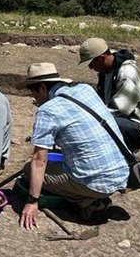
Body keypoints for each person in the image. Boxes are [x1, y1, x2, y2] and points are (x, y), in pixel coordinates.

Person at [18, 63, 128, 228]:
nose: (34, 98)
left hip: (96, 183)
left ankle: (86, 201)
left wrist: (33, 201)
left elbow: (39, 160)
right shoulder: (85, 89)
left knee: (28, 170)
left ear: (42, 88)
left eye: (33, 92)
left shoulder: (48, 110)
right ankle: (89, 195)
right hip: (121, 172)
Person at [79, 37, 140, 151]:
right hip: (126, 121)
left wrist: (89, 119)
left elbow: (119, 110)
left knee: (100, 125)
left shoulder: (127, 73)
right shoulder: (106, 73)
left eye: (91, 63)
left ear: (101, 59)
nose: (90, 67)